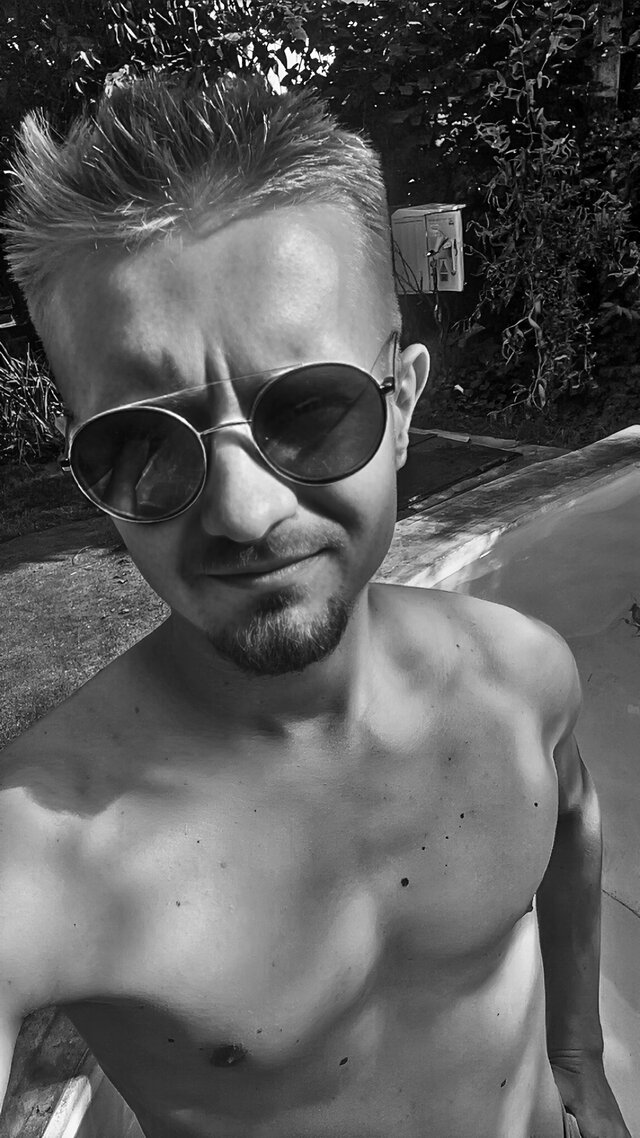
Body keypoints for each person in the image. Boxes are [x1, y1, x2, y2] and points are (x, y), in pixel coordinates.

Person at [0, 71, 631, 1138]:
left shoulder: (524, 678)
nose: (244, 512)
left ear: (403, 405)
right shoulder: (46, 853)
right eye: (143, 446)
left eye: (309, 409)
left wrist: (579, 1060)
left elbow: (571, 821)